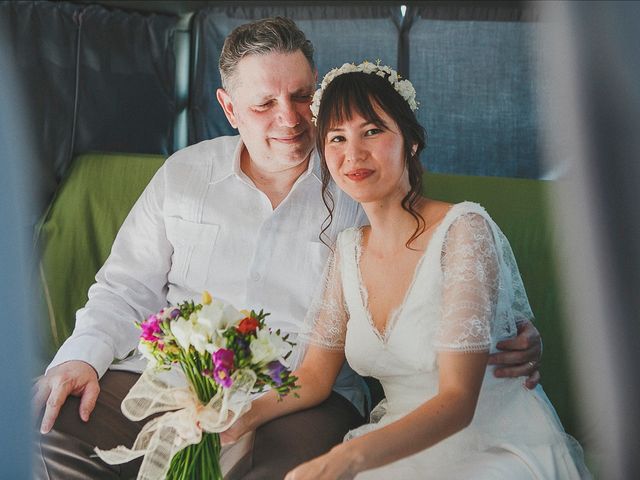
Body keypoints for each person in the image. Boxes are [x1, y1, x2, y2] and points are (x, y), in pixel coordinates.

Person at [32, 18, 542, 479]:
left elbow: (425, 264)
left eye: (302, 96)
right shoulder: (184, 174)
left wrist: (500, 329)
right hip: (167, 375)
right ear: (229, 108)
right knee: (43, 431)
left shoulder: (356, 179)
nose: (291, 119)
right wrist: (80, 358)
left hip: (303, 397)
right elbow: (123, 288)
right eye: (264, 104)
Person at [221, 61, 590, 479]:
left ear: (411, 141)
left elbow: (458, 400)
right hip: (397, 443)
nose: (353, 154)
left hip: (491, 439)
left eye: (373, 131)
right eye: (337, 138)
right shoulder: (346, 251)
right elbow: (312, 377)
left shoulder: (464, 231)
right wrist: (237, 418)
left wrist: (345, 457)